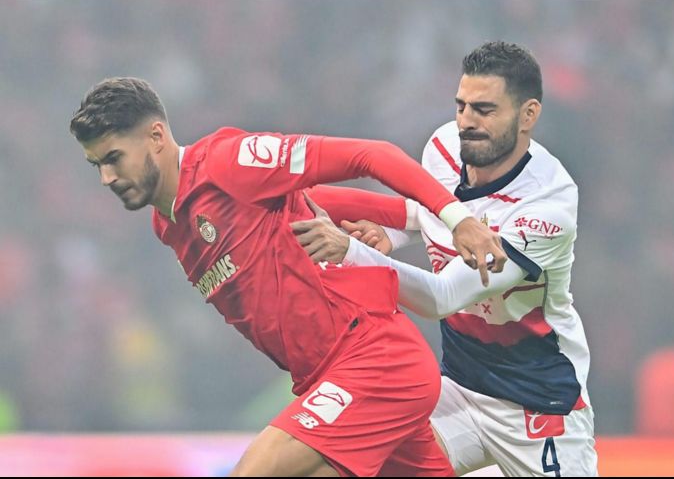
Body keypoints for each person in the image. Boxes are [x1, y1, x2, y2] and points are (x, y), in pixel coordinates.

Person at [68, 76, 509, 477]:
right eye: (96, 165)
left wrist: (457, 219)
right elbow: (309, 200)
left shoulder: (227, 163)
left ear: (156, 136)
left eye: (114, 158)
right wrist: (409, 218)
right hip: (332, 379)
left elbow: (370, 155)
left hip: (374, 362)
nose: (107, 177)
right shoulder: (166, 225)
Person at [292, 41, 598, 476]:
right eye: (461, 106)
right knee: (345, 464)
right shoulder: (441, 147)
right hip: (458, 391)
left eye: (485, 110)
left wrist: (349, 250)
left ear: (528, 115)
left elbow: (443, 296)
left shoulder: (548, 205)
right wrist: (391, 235)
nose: (467, 122)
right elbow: (432, 212)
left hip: (539, 404)